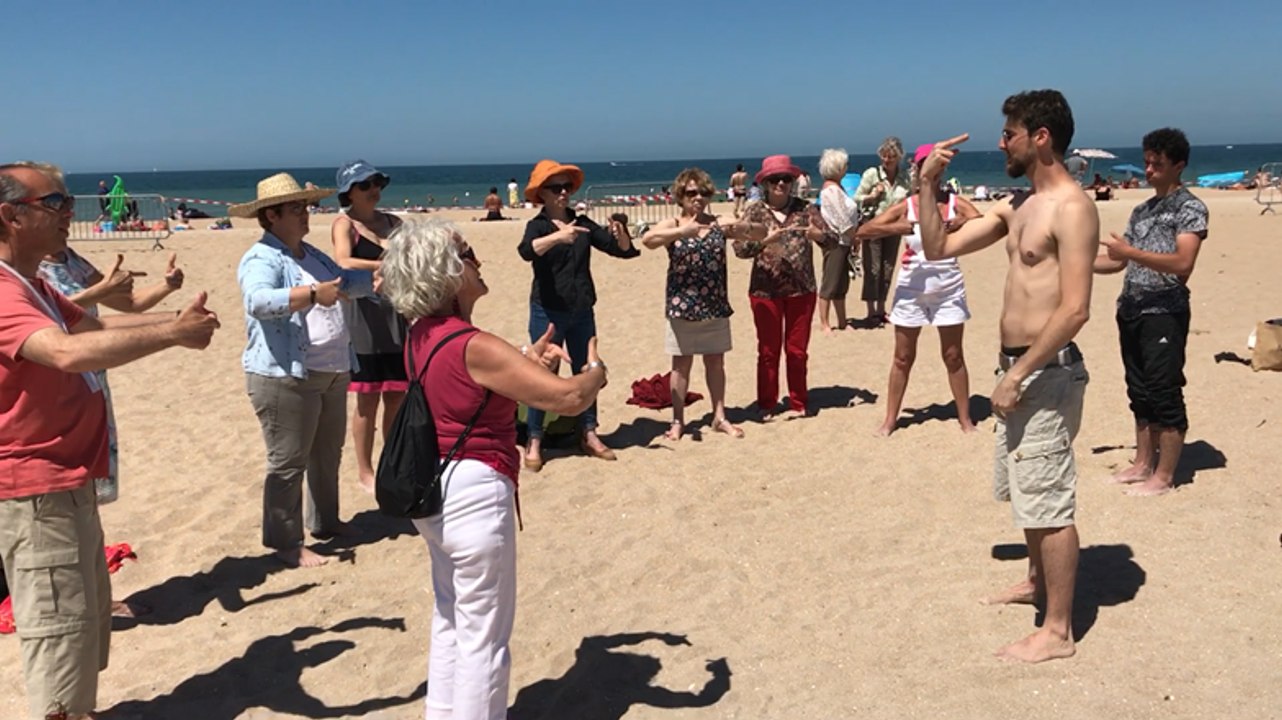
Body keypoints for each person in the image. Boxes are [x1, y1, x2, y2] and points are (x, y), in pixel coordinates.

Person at [0, 161, 219, 720]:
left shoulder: (36, 283)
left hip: (69, 479)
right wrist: (172, 335)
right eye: (54, 203)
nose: (70, 211)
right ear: (10, 215)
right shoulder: (3, 291)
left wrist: (176, 318)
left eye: (68, 200)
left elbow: (89, 328)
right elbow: (66, 353)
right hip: (34, 492)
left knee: (83, 627)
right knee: (59, 636)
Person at [379, 220, 608, 720]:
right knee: (484, 637)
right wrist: (595, 372)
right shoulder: (472, 343)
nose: (477, 260)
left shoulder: (421, 333)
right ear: (448, 272)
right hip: (474, 494)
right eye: (467, 252)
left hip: (434, 490)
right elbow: (568, 400)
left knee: (451, 619)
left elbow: (468, 391)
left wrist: (527, 362)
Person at [916, 89, 1098, 663]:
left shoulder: (1072, 207)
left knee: (1049, 498)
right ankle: (1036, 583)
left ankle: (1059, 631)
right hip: (1016, 371)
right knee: (1025, 491)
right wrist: (925, 185)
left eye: (1010, 133)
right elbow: (937, 244)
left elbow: (1075, 308)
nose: (1001, 143)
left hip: (1044, 372)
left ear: (1040, 136)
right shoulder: (1016, 207)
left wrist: (1018, 373)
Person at [234, 173, 375, 568]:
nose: (304, 214)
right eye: (296, 208)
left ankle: (326, 521)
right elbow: (259, 302)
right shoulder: (261, 258)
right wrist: (312, 294)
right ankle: (285, 542)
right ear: (271, 215)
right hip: (285, 374)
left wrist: (385, 278)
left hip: (331, 369)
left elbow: (348, 282)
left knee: (327, 453)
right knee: (288, 461)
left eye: (306, 206)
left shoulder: (311, 254)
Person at [1093, 128, 1208, 497]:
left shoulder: (1190, 207)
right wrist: (1072, 262)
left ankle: (1164, 475)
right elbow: (1117, 263)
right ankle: (1143, 463)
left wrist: (1130, 253)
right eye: (1146, 162)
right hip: (1131, 308)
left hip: (1165, 309)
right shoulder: (1141, 210)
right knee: (1139, 391)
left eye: (1157, 163)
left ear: (1178, 165)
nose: (1149, 169)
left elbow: (1182, 263)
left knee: (1164, 391)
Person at [517, 159, 639, 471]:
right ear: (541, 194)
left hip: (582, 308)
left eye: (566, 187)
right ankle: (534, 439)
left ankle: (589, 432)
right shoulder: (539, 226)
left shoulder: (583, 223)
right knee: (542, 375)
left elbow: (620, 250)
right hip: (547, 310)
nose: (562, 193)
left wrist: (621, 232)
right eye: (555, 188)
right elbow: (527, 250)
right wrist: (558, 237)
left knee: (588, 372)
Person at [857, 144, 981, 436]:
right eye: (927, 165)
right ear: (918, 169)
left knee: (953, 355)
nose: (933, 170)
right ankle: (890, 420)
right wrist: (898, 228)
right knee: (902, 357)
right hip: (911, 288)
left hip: (948, 286)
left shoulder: (955, 203)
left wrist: (961, 223)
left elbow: (985, 223)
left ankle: (965, 419)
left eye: (938, 165)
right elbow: (863, 231)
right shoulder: (908, 205)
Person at [641, 168, 764, 440]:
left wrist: (744, 227)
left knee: (715, 363)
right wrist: (683, 231)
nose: (697, 197)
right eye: (691, 193)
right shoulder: (674, 224)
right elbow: (648, 240)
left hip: (714, 305)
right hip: (682, 306)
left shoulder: (719, 221)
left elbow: (759, 234)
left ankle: (719, 416)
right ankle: (677, 420)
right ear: (681, 196)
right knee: (680, 365)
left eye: (702, 192)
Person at [733, 155, 835, 420]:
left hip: (802, 290)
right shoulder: (754, 211)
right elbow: (740, 250)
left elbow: (833, 241)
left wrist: (819, 236)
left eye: (786, 179)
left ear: (792, 182)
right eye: (774, 179)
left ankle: (798, 402)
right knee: (768, 351)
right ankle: (767, 402)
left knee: (797, 351)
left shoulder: (806, 208)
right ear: (765, 183)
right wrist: (764, 242)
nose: (780, 183)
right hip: (764, 291)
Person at [329, 160, 407, 494]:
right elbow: (343, 262)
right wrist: (387, 262)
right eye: (365, 185)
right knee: (367, 399)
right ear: (349, 192)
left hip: (399, 313)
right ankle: (365, 471)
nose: (373, 190)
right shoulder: (345, 224)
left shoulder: (395, 222)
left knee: (397, 394)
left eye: (376, 183)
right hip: (364, 317)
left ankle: (392, 460)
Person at [855, 137, 912, 326]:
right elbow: (857, 198)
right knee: (873, 268)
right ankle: (871, 311)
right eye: (884, 156)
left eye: (891, 157)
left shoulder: (904, 178)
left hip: (894, 228)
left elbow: (911, 198)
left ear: (899, 157)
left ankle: (881, 309)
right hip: (873, 226)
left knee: (887, 268)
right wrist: (872, 195)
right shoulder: (872, 174)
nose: (886, 160)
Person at [816, 148, 861, 334]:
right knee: (830, 282)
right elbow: (841, 217)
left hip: (844, 240)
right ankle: (825, 322)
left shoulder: (838, 188)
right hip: (836, 240)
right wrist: (854, 236)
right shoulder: (831, 190)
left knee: (842, 283)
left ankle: (842, 320)